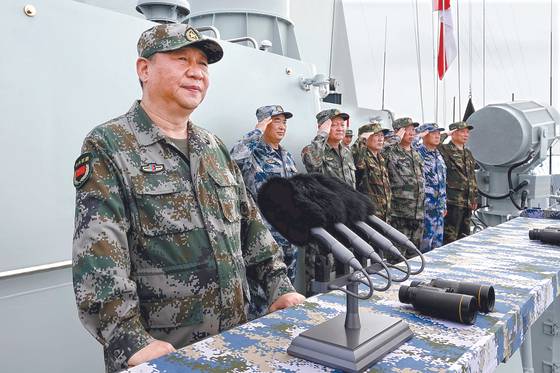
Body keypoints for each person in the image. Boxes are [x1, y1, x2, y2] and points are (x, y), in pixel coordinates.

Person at [71, 24, 304, 373]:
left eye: (203, 64)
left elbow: (251, 226)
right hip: (165, 353)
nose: (196, 71)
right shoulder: (109, 145)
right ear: (144, 69)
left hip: (234, 343)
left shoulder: (213, 147)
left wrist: (279, 287)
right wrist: (130, 341)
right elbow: (99, 254)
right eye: (182, 59)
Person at [230, 105, 299, 318]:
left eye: (284, 122)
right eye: (276, 121)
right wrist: (257, 130)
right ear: (265, 123)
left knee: (287, 297)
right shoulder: (253, 153)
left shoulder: (286, 156)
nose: (282, 126)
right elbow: (233, 160)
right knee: (260, 302)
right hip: (263, 241)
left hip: (289, 238)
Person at [382, 117, 425, 255]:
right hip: (399, 212)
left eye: (413, 130)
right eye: (407, 130)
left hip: (418, 212)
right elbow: (379, 152)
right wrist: (395, 138)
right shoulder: (390, 152)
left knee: (414, 253)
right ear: (398, 132)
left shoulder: (416, 154)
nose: (412, 133)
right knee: (397, 255)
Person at [438, 121, 478, 244]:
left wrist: (474, 198)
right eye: (462, 132)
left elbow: (472, 177)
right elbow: (434, 144)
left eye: (467, 132)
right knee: (450, 238)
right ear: (453, 133)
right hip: (452, 201)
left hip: (467, 202)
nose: (466, 135)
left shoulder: (468, 153)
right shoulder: (445, 150)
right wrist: (446, 134)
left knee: (465, 237)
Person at [301, 109, 356, 188]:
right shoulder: (310, 150)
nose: (340, 129)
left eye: (342, 125)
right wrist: (322, 134)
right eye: (334, 125)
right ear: (322, 127)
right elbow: (313, 164)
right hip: (329, 200)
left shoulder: (347, 151)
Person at [414, 123, 447, 252]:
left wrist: (444, 204)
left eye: (438, 133)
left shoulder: (438, 154)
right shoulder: (418, 152)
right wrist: (419, 135)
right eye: (433, 133)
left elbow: (442, 181)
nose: (437, 136)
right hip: (425, 206)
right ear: (425, 135)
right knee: (424, 244)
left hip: (438, 207)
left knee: (437, 244)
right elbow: (408, 144)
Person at [352, 122, 392, 222]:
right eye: (376, 135)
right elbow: (355, 153)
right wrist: (361, 139)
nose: (380, 139)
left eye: (382, 135)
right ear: (365, 138)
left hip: (385, 214)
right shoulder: (361, 157)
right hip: (370, 215)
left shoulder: (381, 158)